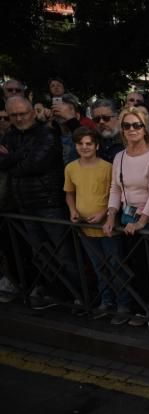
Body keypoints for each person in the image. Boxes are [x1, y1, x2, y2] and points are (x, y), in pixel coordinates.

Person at [0, 95, 81, 307]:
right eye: (13, 115)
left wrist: (12, 160)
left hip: (49, 203)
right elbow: (3, 163)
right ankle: (55, 293)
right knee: (41, 254)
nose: (19, 118)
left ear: (32, 112)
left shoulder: (47, 132)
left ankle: (78, 296)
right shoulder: (9, 136)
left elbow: (36, 164)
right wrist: (20, 155)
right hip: (24, 205)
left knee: (64, 253)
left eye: (23, 113)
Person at [102, 107, 149, 326]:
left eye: (137, 125)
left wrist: (142, 221)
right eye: (127, 125)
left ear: (145, 128)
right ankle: (140, 308)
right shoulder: (119, 156)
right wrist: (111, 216)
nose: (132, 129)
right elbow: (115, 189)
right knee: (133, 268)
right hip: (127, 221)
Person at [64, 127, 130, 320]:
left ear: (96, 146)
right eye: (80, 144)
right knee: (98, 267)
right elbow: (69, 193)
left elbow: (115, 193)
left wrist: (104, 213)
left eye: (89, 144)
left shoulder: (107, 167)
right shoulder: (70, 168)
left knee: (116, 267)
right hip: (85, 227)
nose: (84, 147)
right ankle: (106, 301)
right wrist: (73, 211)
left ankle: (123, 305)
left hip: (108, 227)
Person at [90, 99, 124, 163]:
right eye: (97, 119)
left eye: (106, 118)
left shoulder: (129, 138)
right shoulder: (92, 141)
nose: (101, 122)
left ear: (117, 116)